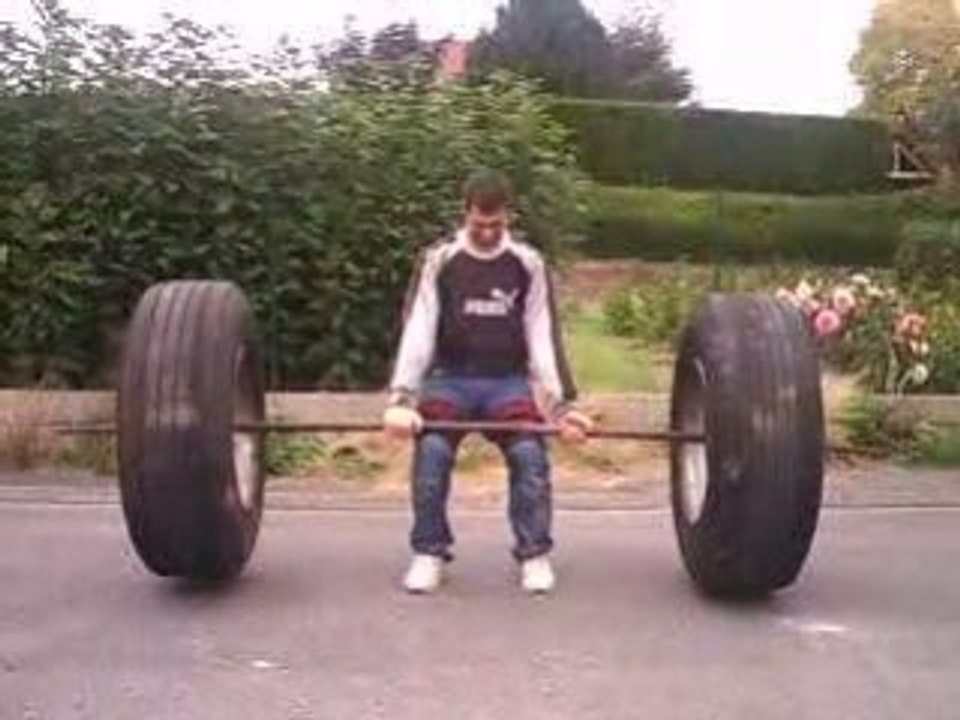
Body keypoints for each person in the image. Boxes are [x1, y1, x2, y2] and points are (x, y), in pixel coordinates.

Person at [382, 169, 594, 595]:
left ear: (508, 217)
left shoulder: (527, 263)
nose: (487, 232)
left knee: (530, 455)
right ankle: (428, 553)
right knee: (432, 453)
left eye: (495, 224)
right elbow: (419, 327)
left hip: (507, 384)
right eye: (479, 223)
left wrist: (564, 406)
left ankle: (533, 554)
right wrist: (401, 397)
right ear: (466, 214)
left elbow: (542, 335)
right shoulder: (440, 260)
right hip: (448, 381)